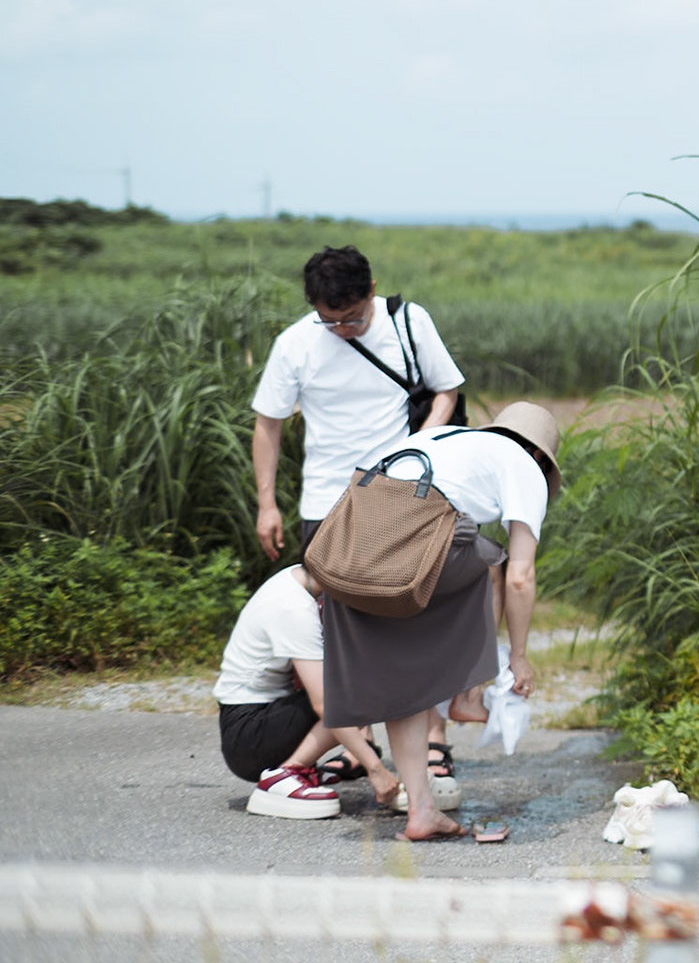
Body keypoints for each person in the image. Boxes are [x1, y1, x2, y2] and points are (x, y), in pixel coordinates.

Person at [250, 244, 470, 797]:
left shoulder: (408, 320)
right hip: (326, 503)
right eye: (331, 320)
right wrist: (266, 502)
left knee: (414, 618)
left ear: (372, 291)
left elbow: (448, 389)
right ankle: (363, 749)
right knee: (340, 634)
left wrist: (423, 443)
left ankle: (434, 738)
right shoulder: (296, 344)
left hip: (400, 497)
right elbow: (268, 425)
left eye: (353, 317)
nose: (344, 329)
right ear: (313, 308)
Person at [321, 401, 559, 843]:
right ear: (541, 456)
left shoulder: (442, 439)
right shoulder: (524, 466)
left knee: (404, 681)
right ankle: (470, 692)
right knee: (491, 562)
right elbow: (522, 577)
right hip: (405, 540)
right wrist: (520, 657)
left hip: (347, 549)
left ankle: (422, 810)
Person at [215, 562, 401, 819]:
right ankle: (288, 772)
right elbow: (326, 704)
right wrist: (377, 770)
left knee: (361, 680)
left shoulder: (295, 580)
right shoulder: (294, 608)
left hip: (258, 720)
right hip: (249, 738)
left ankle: (296, 767)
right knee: (357, 689)